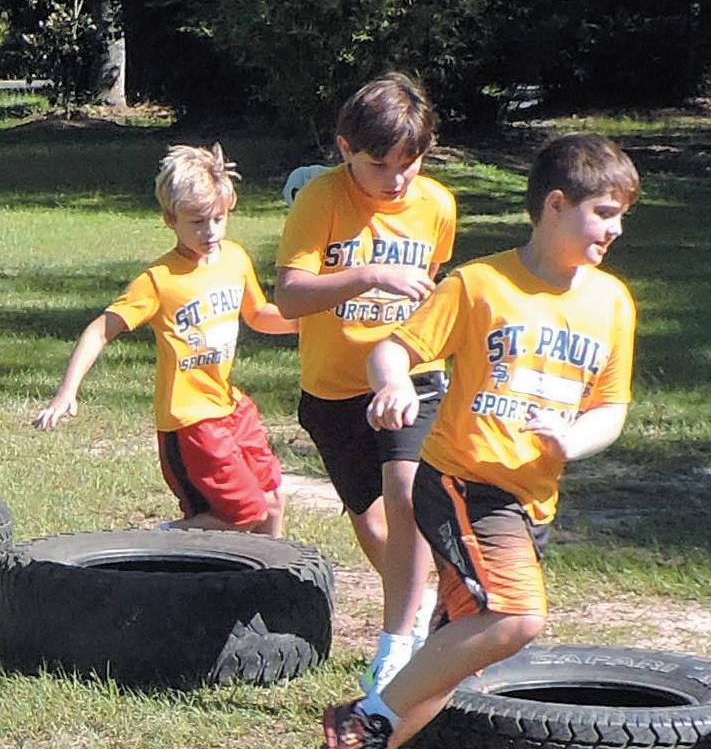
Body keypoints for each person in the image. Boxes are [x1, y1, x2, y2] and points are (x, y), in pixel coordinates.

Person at [322, 131, 641, 748]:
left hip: (531, 500)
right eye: (605, 213)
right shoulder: (479, 285)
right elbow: (393, 349)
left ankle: (378, 737)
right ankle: (364, 720)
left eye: (621, 216)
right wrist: (395, 385)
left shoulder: (612, 303)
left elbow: (611, 406)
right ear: (555, 205)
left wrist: (573, 441)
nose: (616, 229)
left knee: (458, 648)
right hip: (464, 483)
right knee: (517, 617)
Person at [275, 72, 456, 693]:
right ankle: (426, 611)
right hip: (333, 388)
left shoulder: (437, 205)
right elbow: (291, 297)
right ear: (345, 148)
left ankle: (395, 646)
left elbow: (431, 289)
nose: (397, 178)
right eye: (381, 164)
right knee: (372, 519)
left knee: (407, 492)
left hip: (412, 374)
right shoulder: (321, 199)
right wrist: (369, 274)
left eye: (411, 162)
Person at [33, 143, 297, 538]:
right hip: (189, 420)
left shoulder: (235, 258)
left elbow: (259, 315)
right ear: (170, 219)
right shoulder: (158, 280)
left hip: (230, 406)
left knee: (273, 500)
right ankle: (151, 541)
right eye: (197, 222)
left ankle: (275, 574)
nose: (210, 232)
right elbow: (100, 329)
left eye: (219, 218)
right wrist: (66, 393)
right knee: (244, 513)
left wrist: (307, 324)